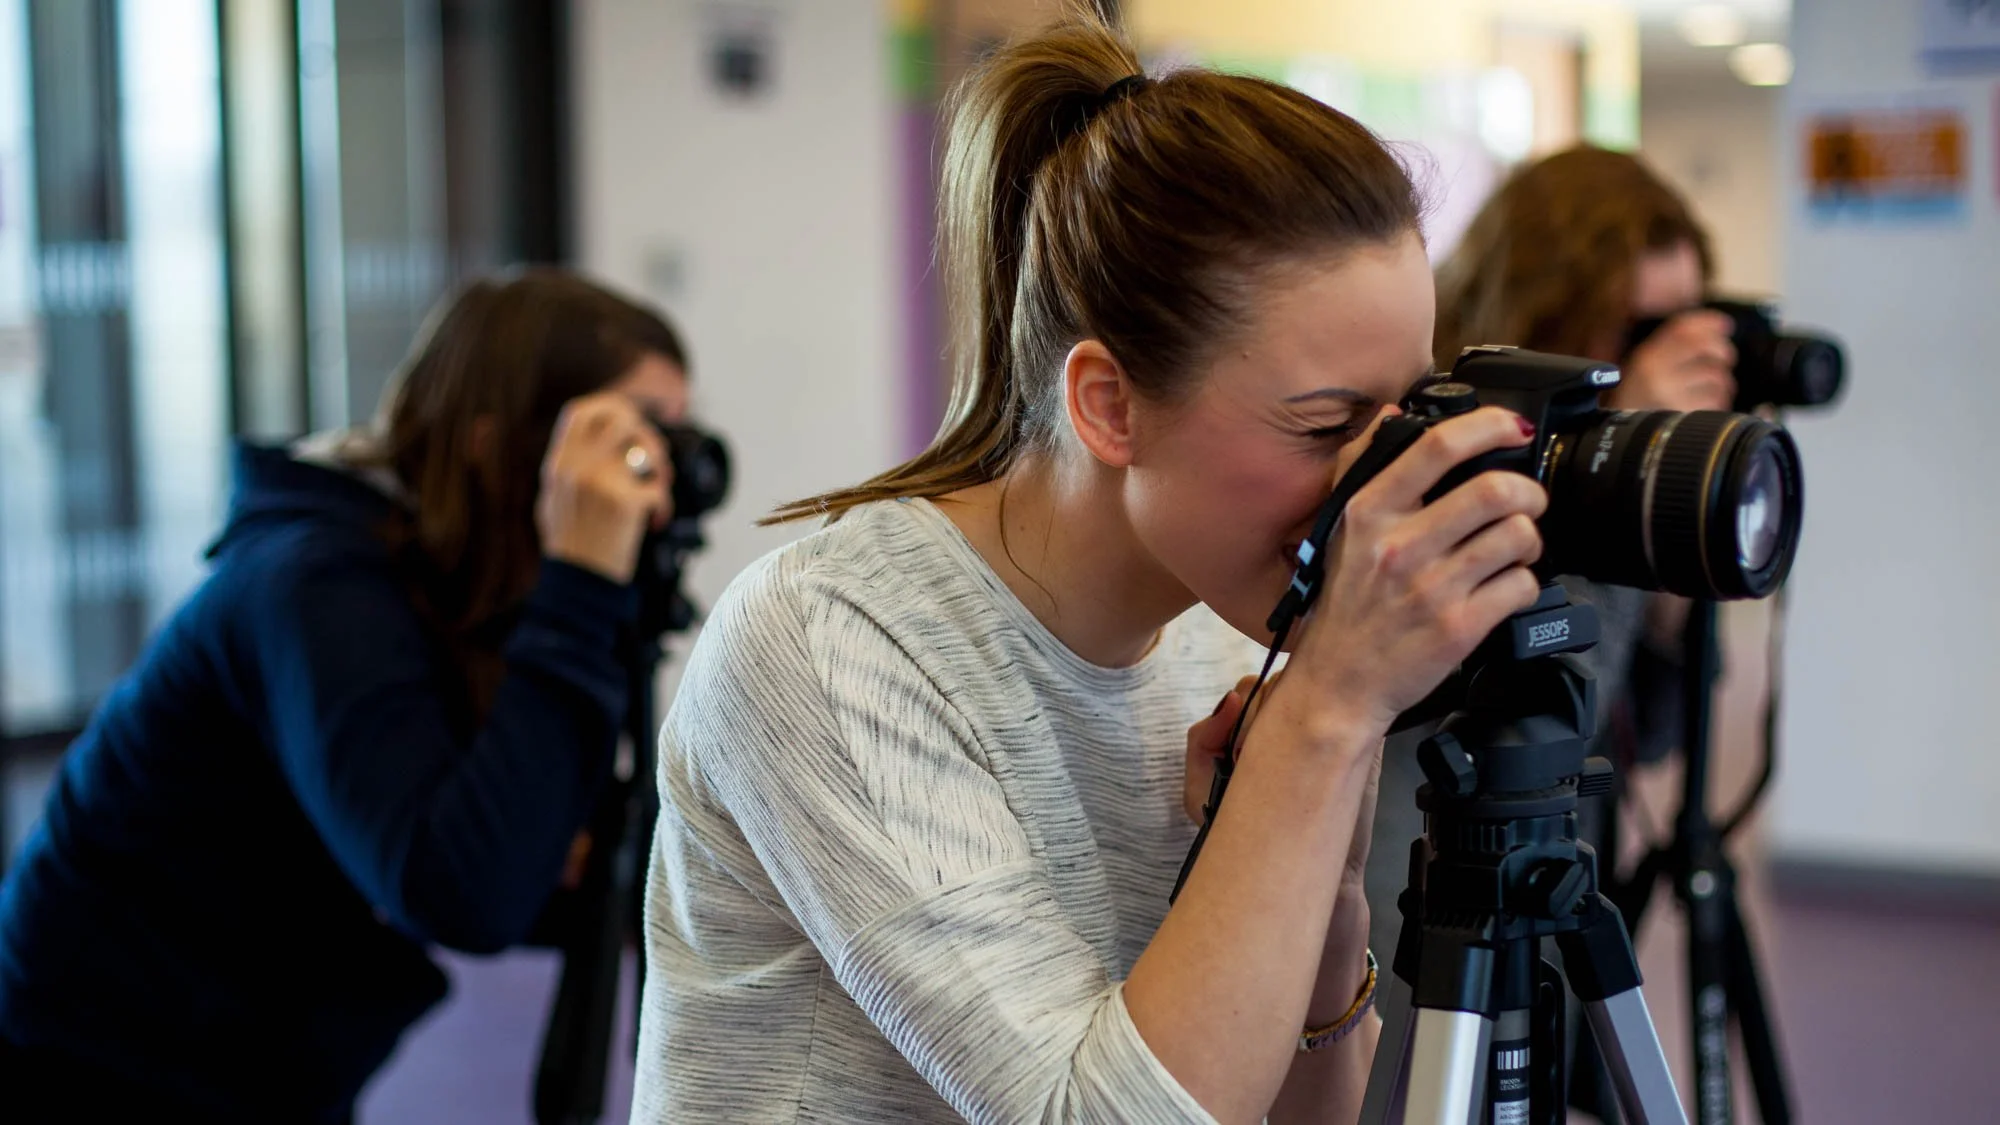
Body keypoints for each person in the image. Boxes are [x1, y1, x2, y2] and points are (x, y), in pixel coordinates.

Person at [630, 9, 1550, 1124]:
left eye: (1403, 413)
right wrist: (1325, 718)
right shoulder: (826, 645)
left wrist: (1330, 899)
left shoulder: (1224, 627)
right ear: (1108, 406)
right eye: (1323, 428)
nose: (1375, 481)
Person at [0, 269, 689, 1123]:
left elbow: (516, 852)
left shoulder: (460, 581)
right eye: (631, 438)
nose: (656, 476)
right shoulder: (314, 585)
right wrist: (584, 585)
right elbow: (468, 893)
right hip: (107, 1055)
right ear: (499, 440)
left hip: (258, 1047)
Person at [1361, 144, 1740, 1094]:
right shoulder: (1437, 457)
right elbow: (1549, 681)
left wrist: (1662, 524)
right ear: (1553, 311)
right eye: (1642, 325)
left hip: (1550, 863)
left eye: (1687, 320)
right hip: (1420, 893)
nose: (1667, 352)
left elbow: (1642, 738)